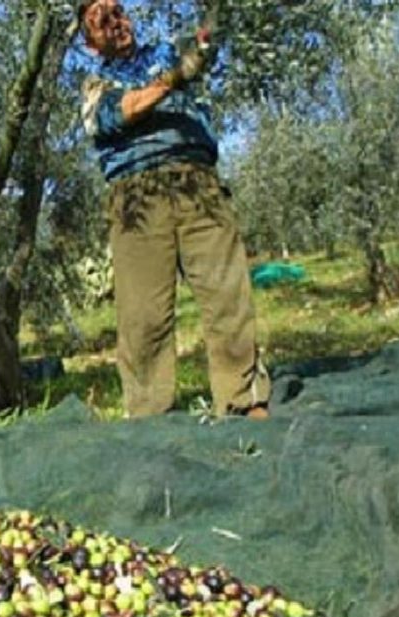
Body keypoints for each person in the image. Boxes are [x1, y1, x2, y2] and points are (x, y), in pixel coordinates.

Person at [77, 0, 271, 418]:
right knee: (143, 317)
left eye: (119, 11)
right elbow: (120, 113)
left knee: (227, 295)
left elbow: (200, 50)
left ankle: (244, 400)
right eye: (102, 20)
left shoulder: (164, 52)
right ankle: (149, 415)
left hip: (197, 181)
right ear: (90, 43)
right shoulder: (95, 83)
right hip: (137, 199)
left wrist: (212, 22)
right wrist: (172, 81)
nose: (116, 22)